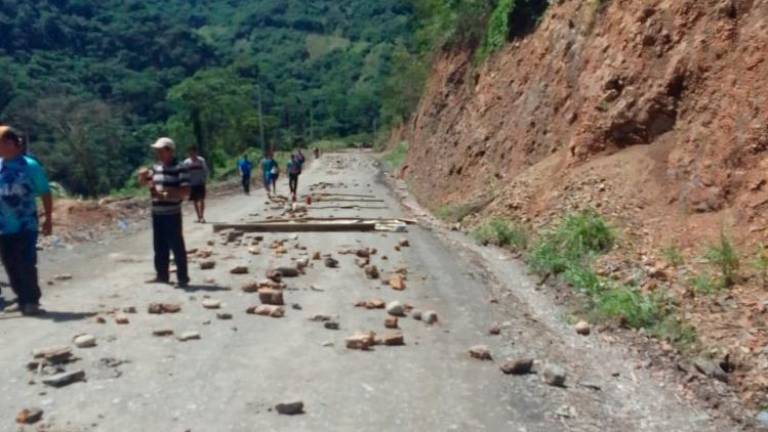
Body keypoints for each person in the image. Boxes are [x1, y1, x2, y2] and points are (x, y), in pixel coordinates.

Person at [0, 126, 53, 315]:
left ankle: (31, 300)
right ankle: (21, 298)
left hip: (26, 224)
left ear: (13, 144)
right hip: (3, 227)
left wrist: (48, 218)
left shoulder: (29, 166)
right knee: (10, 263)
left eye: (2, 142)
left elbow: (45, 192)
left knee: (26, 262)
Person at [141, 138, 190, 288]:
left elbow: (185, 191)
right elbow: (146, 183)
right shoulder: (156, 168)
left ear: (170, 151)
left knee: (176, 245)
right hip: (157, 212)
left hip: (172, 212)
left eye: (161, 150)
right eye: (157, 151)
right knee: (159, 245)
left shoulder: (180, 168)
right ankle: (162, 275)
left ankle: (182, 277)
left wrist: (167, 193)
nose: (158, 153)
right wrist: (143, 177)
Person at [183, 147, 209, 223]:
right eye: (190, 153)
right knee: (194, 201)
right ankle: (198, 217)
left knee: (201, 199)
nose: (192, 154)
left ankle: (202, 216)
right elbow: (184, 173)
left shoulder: (201, 160)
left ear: (196, 152)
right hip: (191, 184)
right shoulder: (186, 162)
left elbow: (206, 170)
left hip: (200, 183)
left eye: (193, 153)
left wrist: (204, 179)